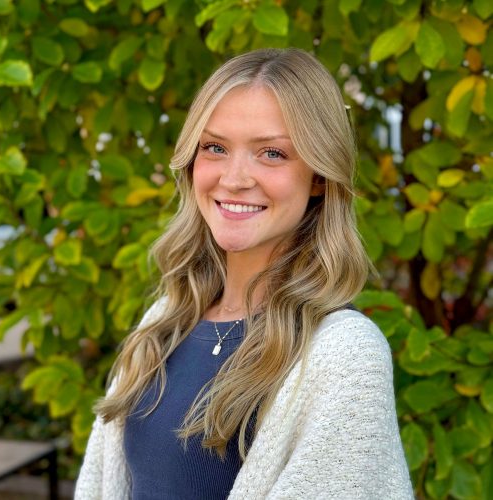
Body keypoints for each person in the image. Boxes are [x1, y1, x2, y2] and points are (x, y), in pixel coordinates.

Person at [75, 48, 414, 499]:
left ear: (319, 176)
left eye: (271, 153)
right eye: (215, 148)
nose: (234, 178)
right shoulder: (165, 320)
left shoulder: (343, 354)